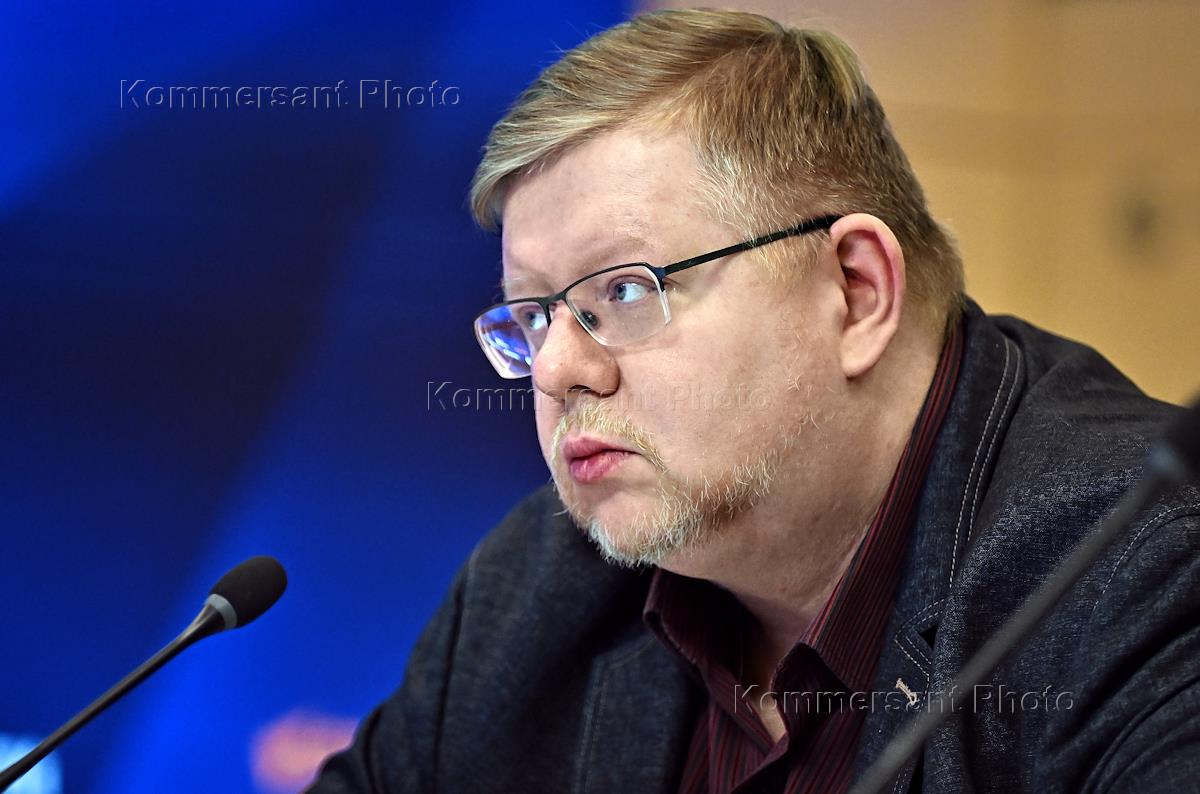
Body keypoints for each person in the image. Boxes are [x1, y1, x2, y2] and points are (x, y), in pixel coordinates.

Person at [309, 9, 1199, 793]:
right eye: (535, 317)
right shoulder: (533, 593)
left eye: (624, 290)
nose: (555, 373)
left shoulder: (1146, 564)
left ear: (855, 292)